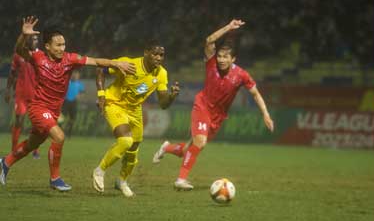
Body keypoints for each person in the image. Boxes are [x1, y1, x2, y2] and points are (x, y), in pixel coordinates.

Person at [0, 16, 136, 192]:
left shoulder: (70, 59)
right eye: (58, 45)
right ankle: (55, 179)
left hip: (54, 110)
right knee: (59, 137)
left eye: (63, 44)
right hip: (38, 108)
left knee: (32, 144)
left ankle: (5, 162)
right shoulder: (38, 57)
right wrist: (23, 35)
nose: (62, 48)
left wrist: (115, 63)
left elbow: (95, 61)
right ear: (47, 46)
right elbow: (19, 50)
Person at [152, 19, 274, 190]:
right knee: (200, 143)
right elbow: (209, 40)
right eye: (220, 56)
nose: (221, 60)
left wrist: (265, 115)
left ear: (233, 59)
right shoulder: (211, 64)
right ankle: (180, 180)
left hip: (217, 117)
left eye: (225, 57)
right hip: (202, 106)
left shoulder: (241, 75)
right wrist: (229, 28)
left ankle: (167, 148)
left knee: (187, 149)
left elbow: (255, 94)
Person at [92, 43, 180, 197]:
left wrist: (172, 96)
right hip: (114, 103)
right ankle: (100, 170)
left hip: (135, 110)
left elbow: (163, 104)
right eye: (155, 54)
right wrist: (101, 94)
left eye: (161, 55)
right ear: (146, 53)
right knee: (125, 141)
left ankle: (122, 181)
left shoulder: (161, 74)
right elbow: (100, 69)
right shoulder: (129, 64)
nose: (158, 58)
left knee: (133, 149)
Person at [4, 33, 41, 159]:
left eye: (37, 39)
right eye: (33, 39)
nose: (36, 41)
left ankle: (35, 149)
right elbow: (12, 73)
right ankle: (14, 149)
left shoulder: (40, 55)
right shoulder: (18, 55)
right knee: (19, 120)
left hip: (36, 95)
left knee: (37, 123)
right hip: (21, 95)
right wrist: (8, 90)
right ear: (28, 41)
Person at [62, 70, 85, 138]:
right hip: (66, 102)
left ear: (79, 76)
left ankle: (69, 133)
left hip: (74, 103)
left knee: (72, 119)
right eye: (74, 74)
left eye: (77, 74)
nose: (75, 76)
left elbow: (82, 93)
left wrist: (79, 96)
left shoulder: (80, 84)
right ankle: (60, 131)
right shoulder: (68, 82)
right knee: (62, 117)